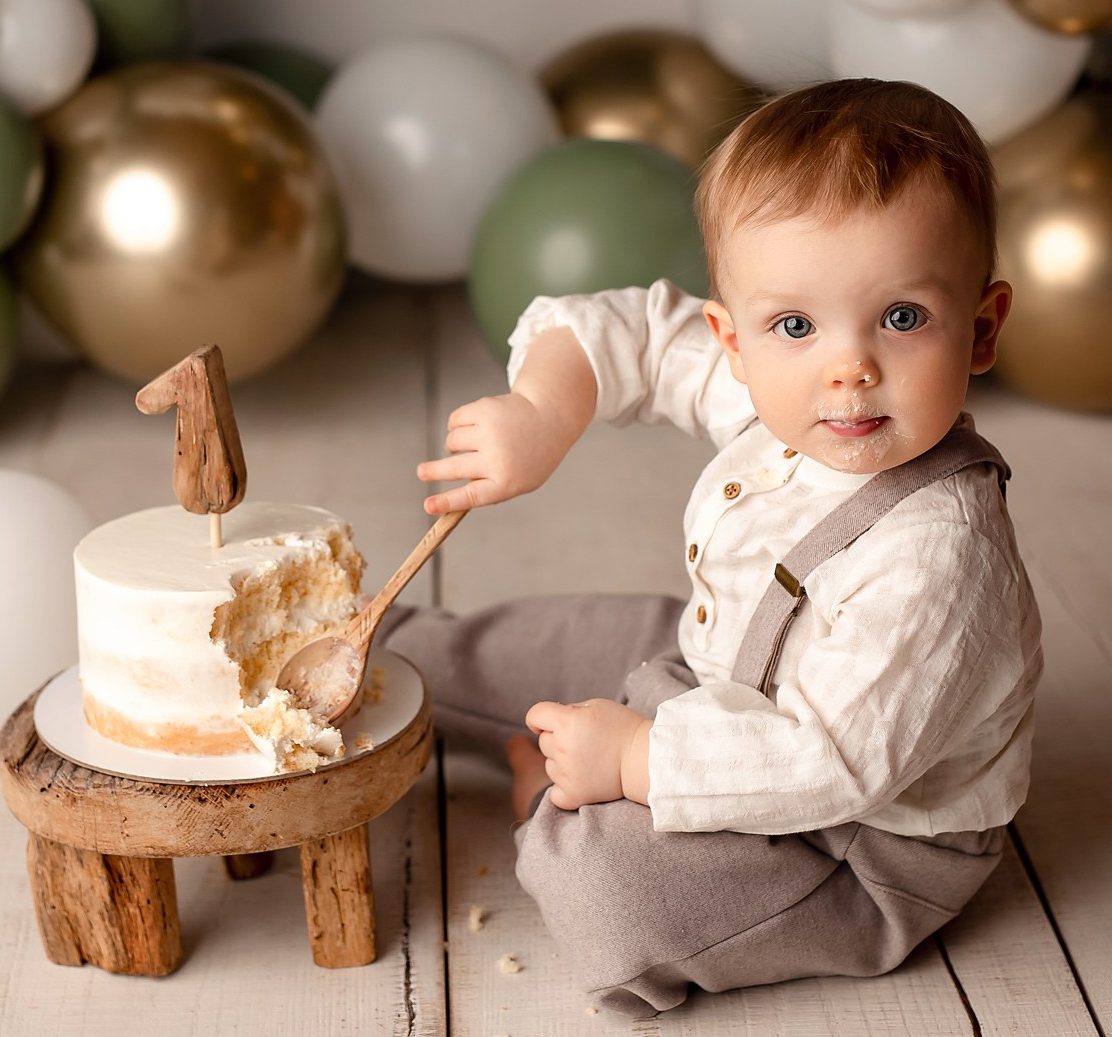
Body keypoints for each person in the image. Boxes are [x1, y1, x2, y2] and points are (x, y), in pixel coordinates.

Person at [377, 78, 1043, 1017]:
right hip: (719, 675)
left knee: (607, 889)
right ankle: (384, 654)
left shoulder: (941, 555)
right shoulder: (784, 390)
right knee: (544, 640)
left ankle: (550, 802)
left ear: (980, 328)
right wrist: (542, 411)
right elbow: (638, 335)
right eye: (796, 325)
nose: (848, 369)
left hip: (853, 841)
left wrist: (638, 760)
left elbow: (832, 761)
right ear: (733, 338)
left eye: (902, 317)